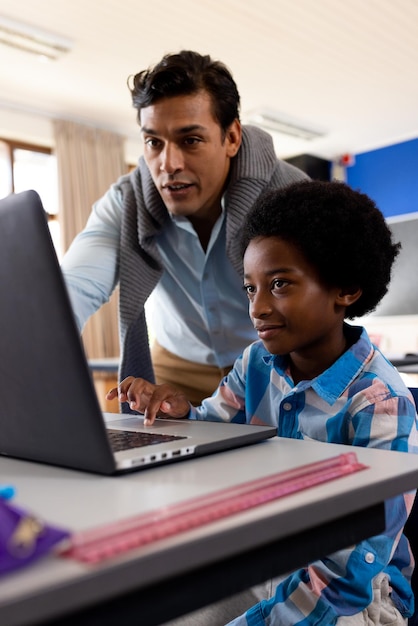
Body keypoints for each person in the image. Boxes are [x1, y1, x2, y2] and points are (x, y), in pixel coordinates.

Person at [108, 180, 418, 625]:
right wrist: (182, 415)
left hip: (359, 598)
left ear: (345, 289)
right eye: (251, 288)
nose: (257, 307)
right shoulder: (257, 362)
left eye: (279, 284)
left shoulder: (380, 406)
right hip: (268, 560)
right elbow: (212, 431)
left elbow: (350, 574)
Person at [61, 49, 308, 407]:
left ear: (232, 138)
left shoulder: (290, 193)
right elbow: (73, 288)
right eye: (153, 143)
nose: (169, 164)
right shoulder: (125, 202)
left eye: (190, 140)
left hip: (272, 359)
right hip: (175, 366)